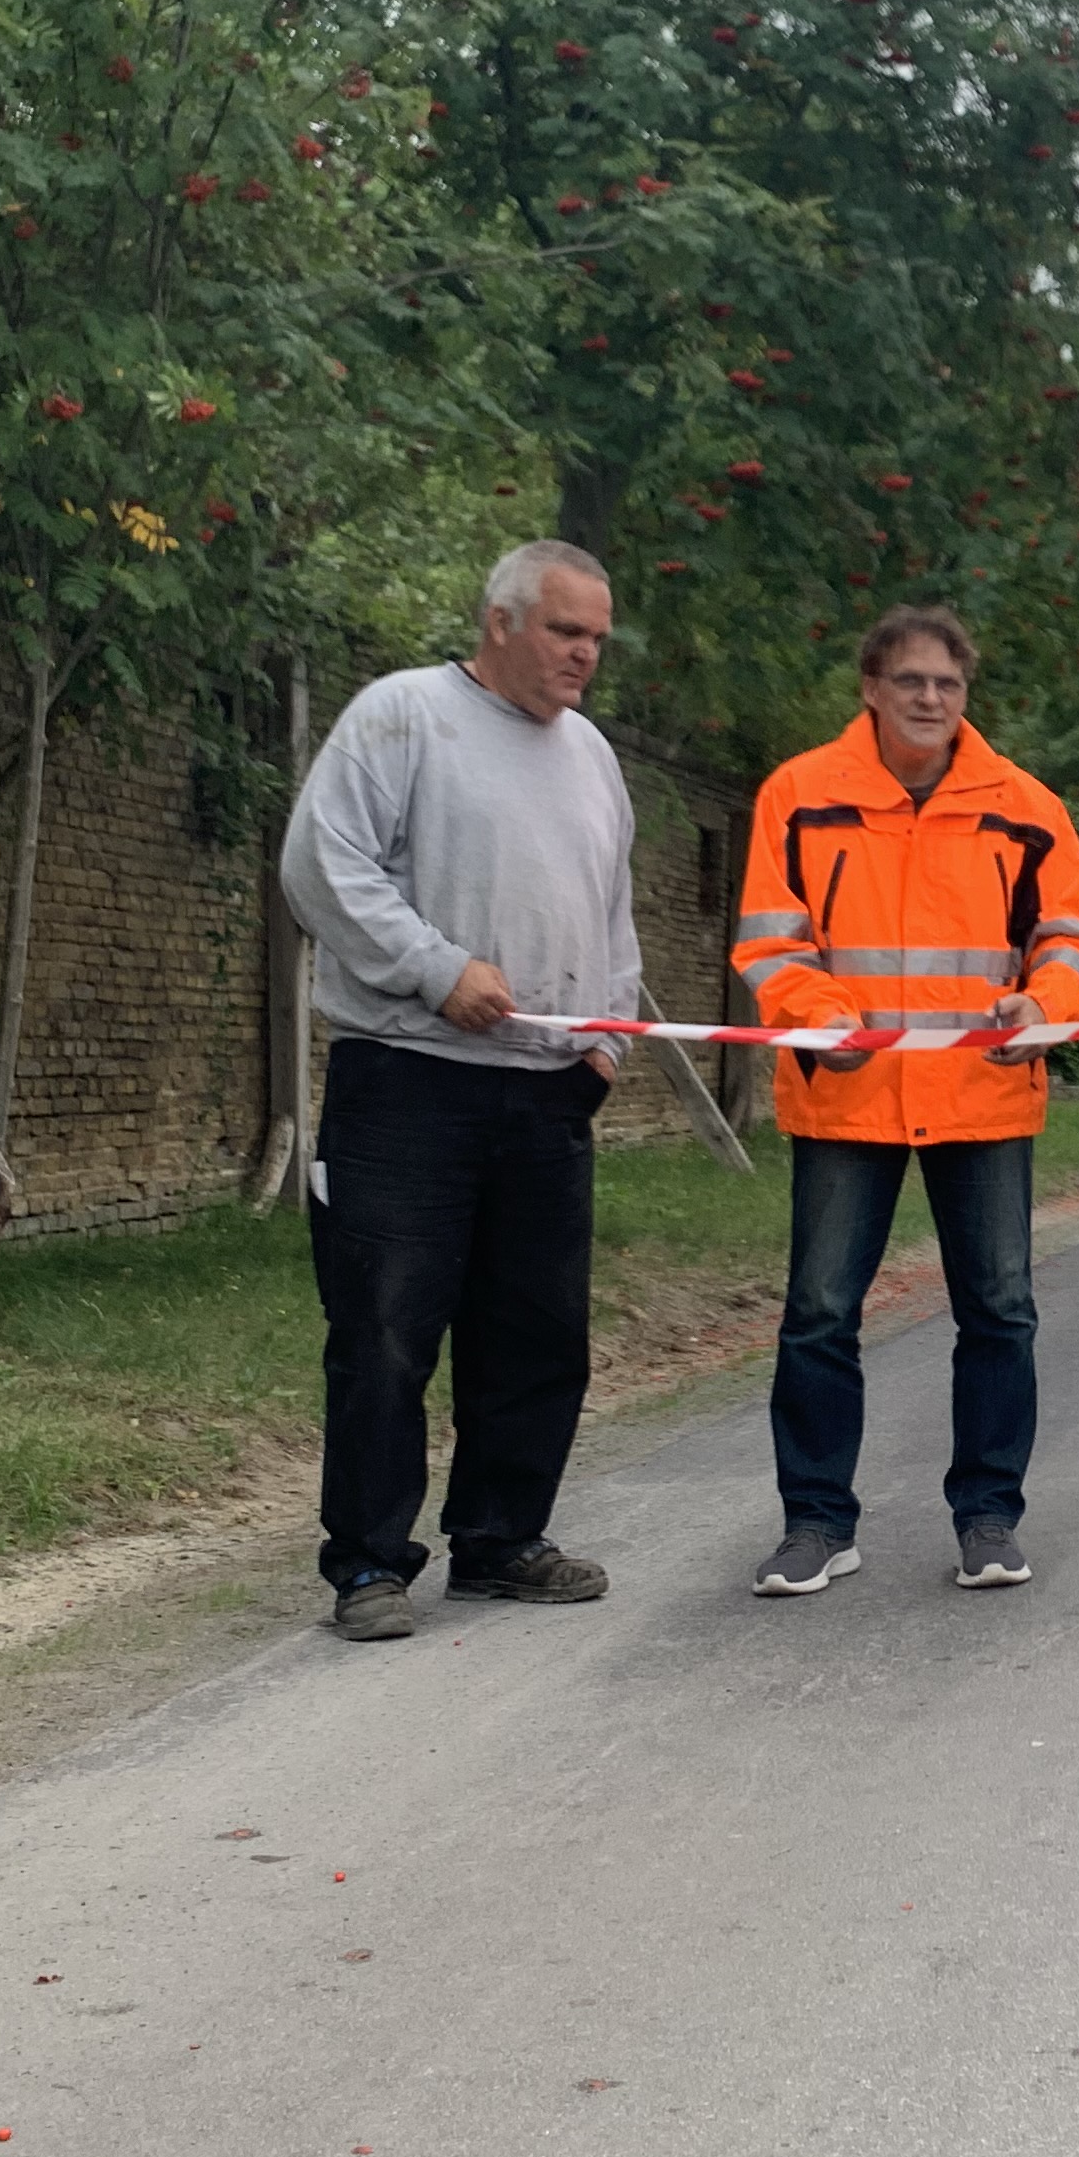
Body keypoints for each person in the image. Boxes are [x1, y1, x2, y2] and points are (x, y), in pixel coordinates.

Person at [280, 539, 641, 1643]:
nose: (584, 654)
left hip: (546, 1094)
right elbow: (321, 865)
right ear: (501, 622)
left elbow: (612, 911)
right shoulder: (403, 717)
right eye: (566, 630)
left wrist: (606, 1041)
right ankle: (368, 1563)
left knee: (538, 1333)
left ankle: (501, 1539)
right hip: (409, 1084)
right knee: (386, 1327)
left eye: (597, 637)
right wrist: (436, 970)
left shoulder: (592, 756)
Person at [735, 607, 1079, 1597]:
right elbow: (770, 942)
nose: (930, 698)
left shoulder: (1026, 807)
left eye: (947, 683)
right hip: (846, 1094)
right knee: (819, 1313)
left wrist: (1046, 1003)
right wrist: (822, 1015)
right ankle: (816, 1523)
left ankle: (989, 1519)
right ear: (871, 688)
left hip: (983, 1092)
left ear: (965, 694)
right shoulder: (799, 796)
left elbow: (1070, 942)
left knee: (1000, 1313)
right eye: (910, 681)